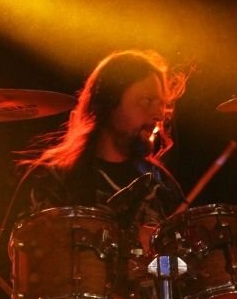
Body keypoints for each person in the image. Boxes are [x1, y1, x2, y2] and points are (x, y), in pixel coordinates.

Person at [11, 48, 188, 248]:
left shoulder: (162, 186)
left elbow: (184, 261)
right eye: (146, 100)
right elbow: (19, 254)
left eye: (162, 104)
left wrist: (159, 250)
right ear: (108, 102)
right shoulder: (52, 179)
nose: (159, 114)